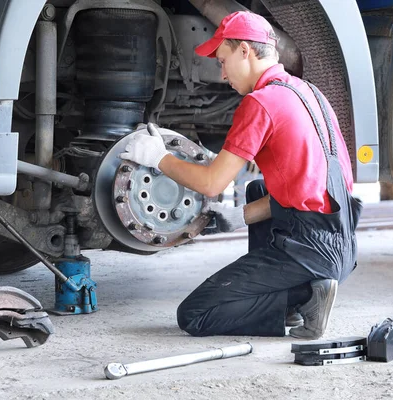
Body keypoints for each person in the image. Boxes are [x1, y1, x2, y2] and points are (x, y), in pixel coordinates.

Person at [119, 11, 362, 339]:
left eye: (222, 60)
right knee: (257, 187)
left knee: (194, 315)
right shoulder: (308, 93)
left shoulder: (260, 103)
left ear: (245, 51)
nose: (222, 74)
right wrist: (237, 217)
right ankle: (305, 292)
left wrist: (157, 158)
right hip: (342, 243)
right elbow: (308, 185)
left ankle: (305, 298)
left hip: (308, 249)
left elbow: (211, 183)